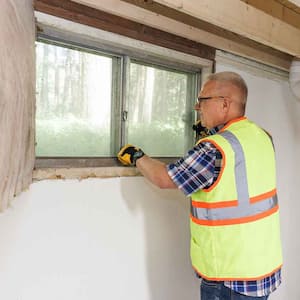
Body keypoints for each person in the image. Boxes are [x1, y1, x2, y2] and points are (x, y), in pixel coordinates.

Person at [117, 71, 283, 300]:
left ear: (224, 104)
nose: (197, 107)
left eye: (203, 100)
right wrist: (213, 132)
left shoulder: (214, 149)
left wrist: (137, 156)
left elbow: (165, 178)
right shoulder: (263, 137)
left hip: (230, 278)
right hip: (261, 267)